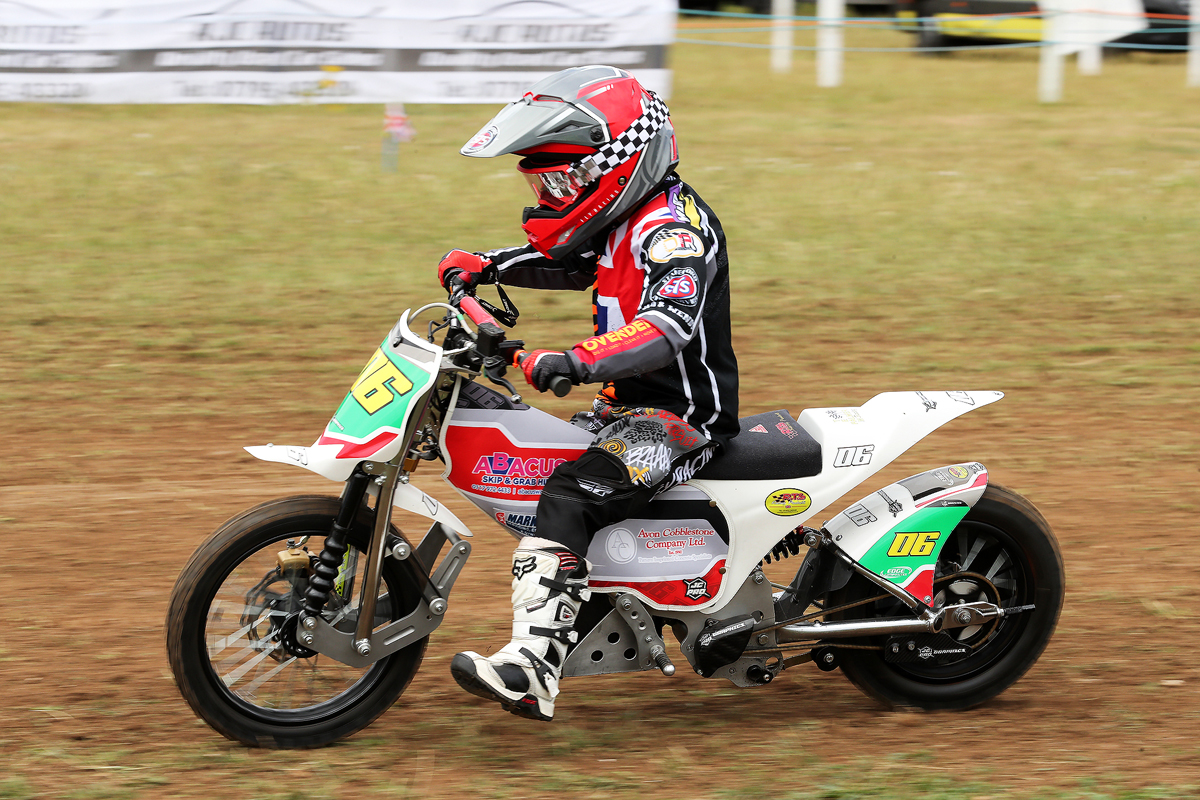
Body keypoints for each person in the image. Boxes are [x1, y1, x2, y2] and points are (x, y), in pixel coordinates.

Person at [438, 65, 739, 722]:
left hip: (677, 417)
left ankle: (533, 669)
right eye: (543, 183)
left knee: (569, 496)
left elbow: (666, 328)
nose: (552, 196)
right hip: (624, 406)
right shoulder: (628, 215)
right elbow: (573, 263)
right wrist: (486, 266)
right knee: (525, 444)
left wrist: (574, 360)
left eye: (561, 181)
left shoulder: (673, 232)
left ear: (618, 164)